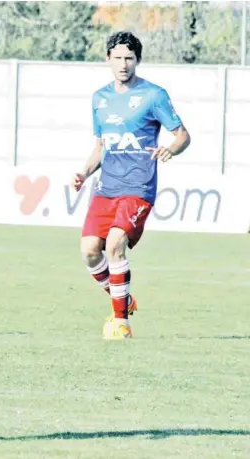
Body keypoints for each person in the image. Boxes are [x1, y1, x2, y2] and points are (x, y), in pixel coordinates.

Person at [73, 31, 191, 339]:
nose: (123, 64)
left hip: (138, 187)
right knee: (89, 251)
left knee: (114, 244)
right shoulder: (99, 98)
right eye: (118, 57)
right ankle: (121, 296)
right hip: (105, 187)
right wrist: (84, 173)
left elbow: (182, 135)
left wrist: (170, 149)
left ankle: (121, 321)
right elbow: (100, 145)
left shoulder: (153, 95)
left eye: (129, 58)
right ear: (108, 59)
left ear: (137, 60)